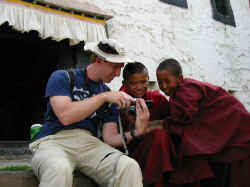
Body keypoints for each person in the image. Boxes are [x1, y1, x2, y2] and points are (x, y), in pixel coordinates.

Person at [29, 39, 150, 187]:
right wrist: (103, 97)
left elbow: (109, 138)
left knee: (128, 166)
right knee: (58, 168)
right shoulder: (63, 77)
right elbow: (65, 116)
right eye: (115, 67)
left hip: (89, 143)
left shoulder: (108, 95)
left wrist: (137, 132)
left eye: (121, 67)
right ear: (99, 60)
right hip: (54, 141)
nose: (118, 74)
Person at [155, 58, 250, 187]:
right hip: (233, 127)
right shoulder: (177, 93)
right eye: (160, 82)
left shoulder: (187, 88)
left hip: (238, 127)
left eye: (167, 81)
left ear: (180, 78)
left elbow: (182, 117)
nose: (164, 86)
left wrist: (155, 125)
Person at [119, 62, 174, 187]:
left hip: (158, 152)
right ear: (125, 83)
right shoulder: (119, 101)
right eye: (133, 83)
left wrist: (150, 125)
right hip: (131, 154)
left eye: (143, 82)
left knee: (161, 135)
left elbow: (172, 121)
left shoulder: (157, 99)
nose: (139, 87)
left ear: (148, 79)